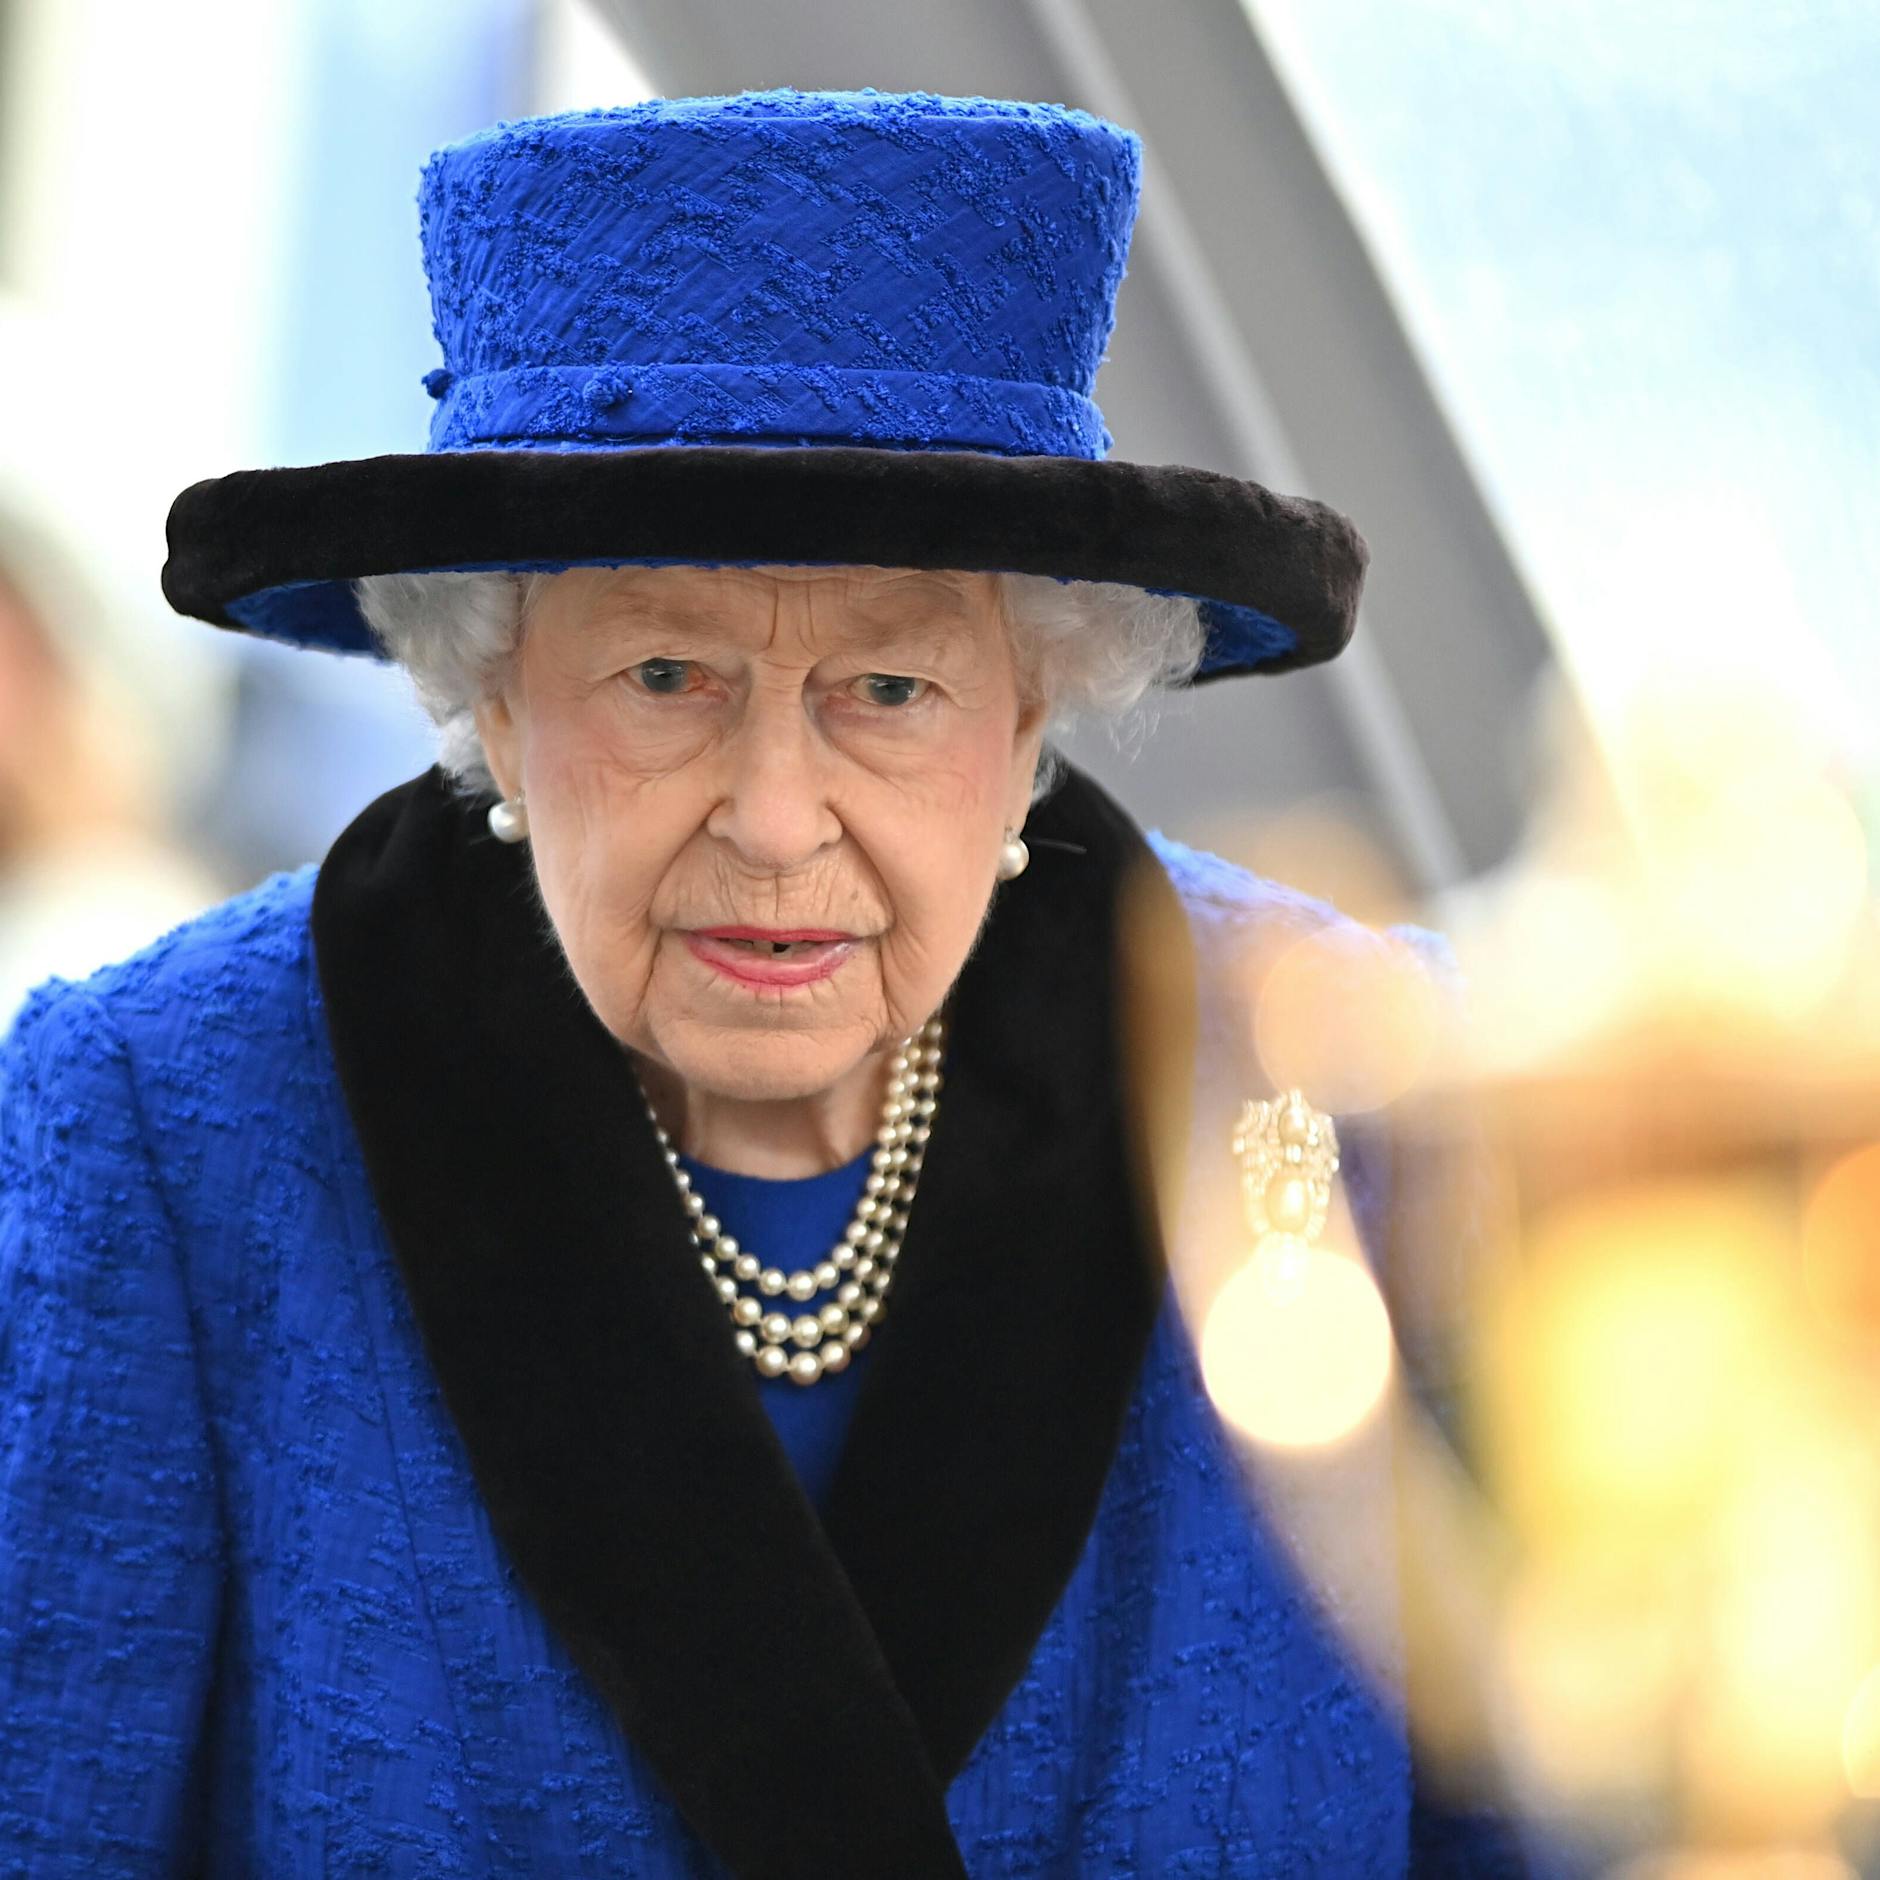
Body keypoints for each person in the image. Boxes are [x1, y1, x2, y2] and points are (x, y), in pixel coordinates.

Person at [0, 90, 1541, 1875]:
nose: (777, 816)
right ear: (490, 695)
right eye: (667, 676)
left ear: (1033, 706)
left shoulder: (1345, 1090)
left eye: (889, 692)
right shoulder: (157, 1128)